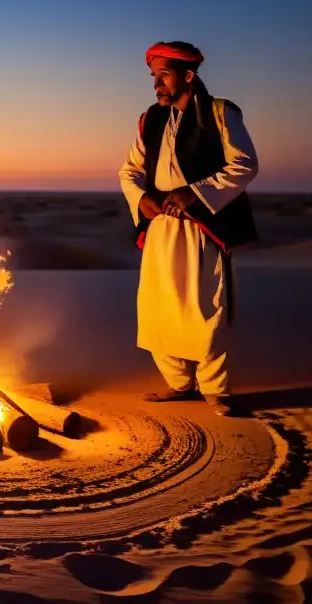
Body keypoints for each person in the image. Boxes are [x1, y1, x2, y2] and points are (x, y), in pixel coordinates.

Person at [118, 41, 259, 416]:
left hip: (202, 225)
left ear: (188, 76)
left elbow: (244, 164)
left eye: (164, 76)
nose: (156, 85)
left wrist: (194, 193)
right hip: (161, 226)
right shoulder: (151, 119)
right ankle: (179, 383)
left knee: (207, 308)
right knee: (158, 306)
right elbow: (129, 170)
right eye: (154, 77)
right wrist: (140, 198)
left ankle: (217, 389)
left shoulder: (219, 112)